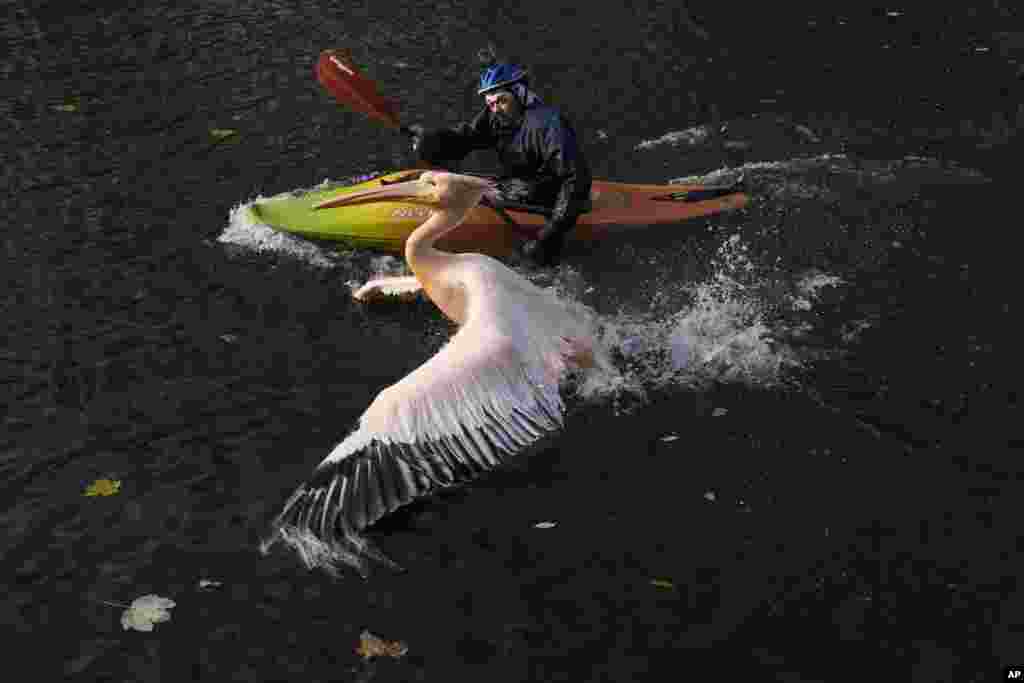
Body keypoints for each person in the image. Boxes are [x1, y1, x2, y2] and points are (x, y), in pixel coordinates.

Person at [407, 61, 592, 266]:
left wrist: (551, 233)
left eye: (501, 101)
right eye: (490, 103)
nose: (496, 109)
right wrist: (431, 141)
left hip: (547, 200)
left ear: (520, 93)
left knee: (534, 261)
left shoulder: (549, 125)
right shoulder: (496, 116)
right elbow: (467, 138)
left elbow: (575, 178)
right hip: (515, 189)